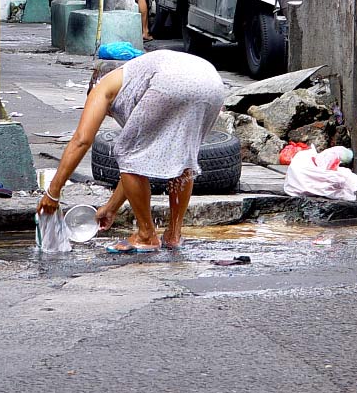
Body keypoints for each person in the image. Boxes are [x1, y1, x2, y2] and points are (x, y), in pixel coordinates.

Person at [36, 49, 225, 252]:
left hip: (173, 83)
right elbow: (137, 165)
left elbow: (82, 141)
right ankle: (173, 234)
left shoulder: (101, 88)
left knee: (126, 150)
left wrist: (53, 193)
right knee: (182, 157)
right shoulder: (138, 78)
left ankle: (146, 235)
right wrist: (111, 208)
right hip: (213, 83)